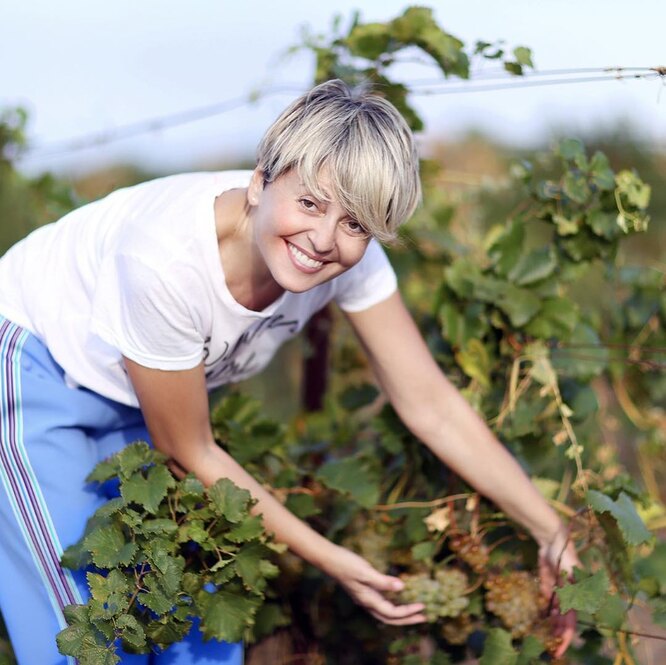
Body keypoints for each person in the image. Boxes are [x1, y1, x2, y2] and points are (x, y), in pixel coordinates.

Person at [0, 79, 578, 664]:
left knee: (196, 632)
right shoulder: (166, 263)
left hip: (141, 392)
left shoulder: (349, 258)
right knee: (83, 632)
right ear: (260, 182)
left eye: (355, 224)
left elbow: (427, 401)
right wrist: (331, 560)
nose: (324, 240)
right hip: (36, 367)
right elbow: (191, 451)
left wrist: (548, 530)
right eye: (310, 203)